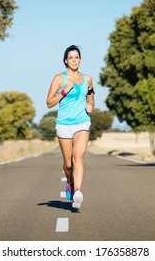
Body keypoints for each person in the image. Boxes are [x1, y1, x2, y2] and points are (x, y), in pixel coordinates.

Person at [46, 45, 95, 209]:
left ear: (80, 60)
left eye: (77, 57)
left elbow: (91, 98)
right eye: (71, 58)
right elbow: (49, 103)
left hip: (82, 122)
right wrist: (64, 92)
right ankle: (70, 182)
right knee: (68, 164)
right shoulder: (59, 78)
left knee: (78, 158)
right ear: (66, 61)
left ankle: (77, 192)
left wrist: (90, 105)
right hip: (64, 124)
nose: (74, 60)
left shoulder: (87, 79)